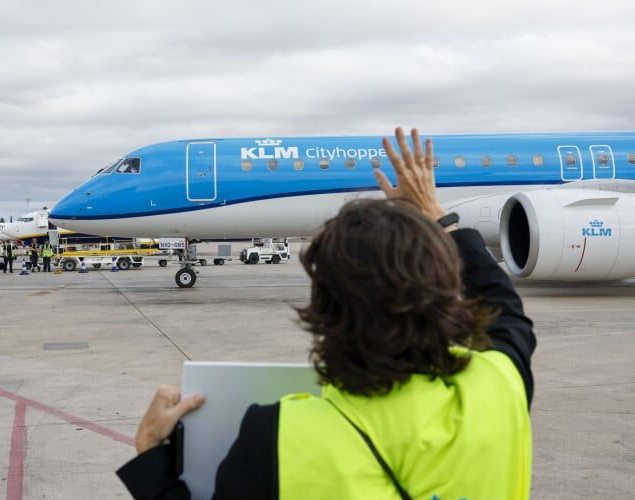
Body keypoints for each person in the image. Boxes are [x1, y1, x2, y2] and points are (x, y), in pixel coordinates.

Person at [116, 128, 536, 499]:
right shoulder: (498, 391)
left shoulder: (277, 436)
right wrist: (436, 216)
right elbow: (507, 314)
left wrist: (151, 457)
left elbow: (507, 316)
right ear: (445, 296)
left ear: (319, 311)